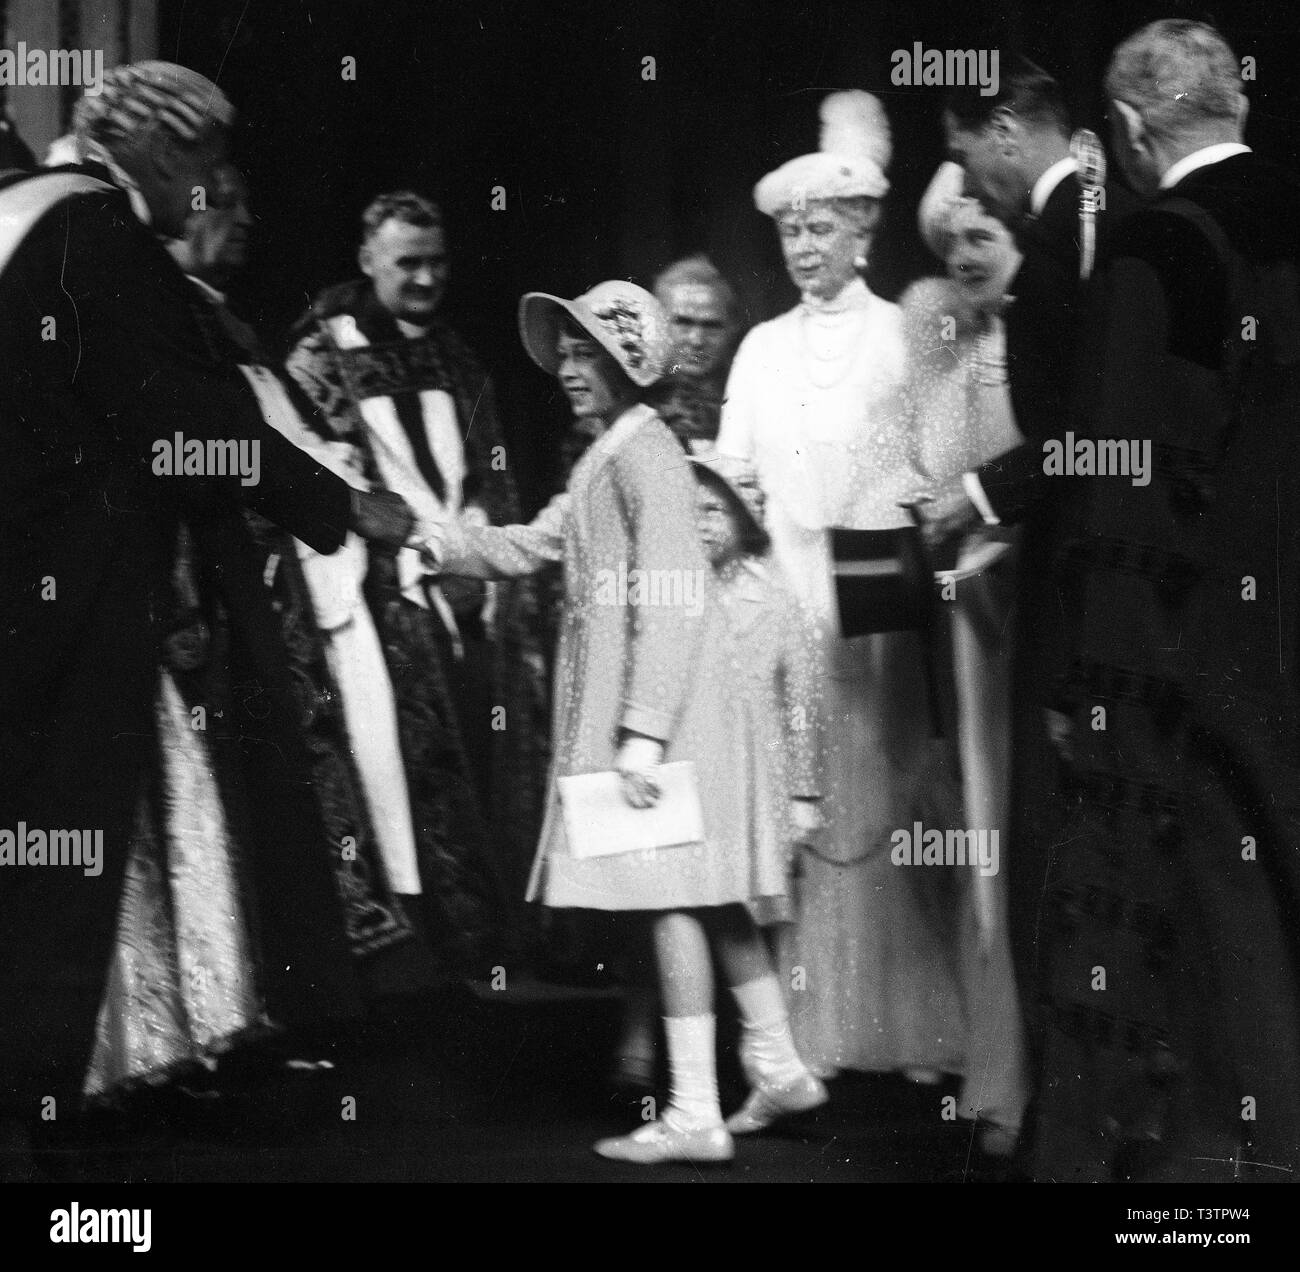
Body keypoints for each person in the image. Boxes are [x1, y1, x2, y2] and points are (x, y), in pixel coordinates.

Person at [0, 61, 412, 1176]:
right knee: (75, 845)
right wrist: (339, 504)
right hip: (75, 591)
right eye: (200, 165)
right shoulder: (98, 236)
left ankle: (79, 1075)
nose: (208, 191)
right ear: (156, 152)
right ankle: (41, 1098)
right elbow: (179, 424)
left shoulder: (16, 222)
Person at [420, 281, 826, 1164]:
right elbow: (534, 542)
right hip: (677, 709)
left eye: (585, 356)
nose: (568, 370)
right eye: (563, 355)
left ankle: (694, 1113)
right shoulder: (616, 451)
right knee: (709, 899)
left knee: (670, 903)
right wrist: (442, 543)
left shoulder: (644, 455)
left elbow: (676, 604)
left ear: (626, 365)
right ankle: (780, 1064)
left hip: (671, 713)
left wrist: (641, 732)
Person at [1027, 19, 1300, 1181]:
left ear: (1131, 132)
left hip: (1203, 661)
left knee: (1209, 950)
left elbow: (1124, 492)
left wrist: (1087, 693)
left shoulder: (1164, 253)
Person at [718, 90, 965, 1083]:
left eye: (819, 226)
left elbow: (928, 461)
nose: (802, 246)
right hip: (783, 598)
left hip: (872, 600)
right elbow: (734, 476)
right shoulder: (762, 347)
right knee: (792, 805)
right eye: (788, 231)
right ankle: (802, 1032)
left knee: (881, 794)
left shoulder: (899, 335)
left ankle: (908, 1023)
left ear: (860, 229)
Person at [162, 161, 439, 994]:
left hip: (274, 589)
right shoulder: (172, 325)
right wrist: (345, 503)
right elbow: (212, 458)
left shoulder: (227, 327)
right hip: (208, 597)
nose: (245, 220)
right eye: (228, 202)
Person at [916, 59, 1135, 1096]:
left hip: (1066, 580)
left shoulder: (1057, 252)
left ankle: (1063, 1108)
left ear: (1006, 130)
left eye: (968, 152)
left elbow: (1080, 436)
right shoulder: (1098, 216)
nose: (970, 182)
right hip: (1090, 578)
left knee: (1049, 831)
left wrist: (978, 499)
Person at [287, 192, 548, 970]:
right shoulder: (319, 357)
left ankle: (499, 937)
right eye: (409, 263)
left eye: (438, 261)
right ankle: (431, 949)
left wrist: (474, 556)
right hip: (382, 593)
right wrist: (418, 563)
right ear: (368, 259)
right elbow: (333, 483)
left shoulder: (459, 355)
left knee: (487, 736)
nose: (428, 278)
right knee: (407, 765)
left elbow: (486, 471)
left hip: (468, 582)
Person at [898, 162, 1030, 1153]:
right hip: (969, 627)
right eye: (951, 247)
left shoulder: (1045, 339)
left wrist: (976, 519)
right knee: (982, 841)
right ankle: (1001, 1077)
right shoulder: (946, 348)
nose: (964, 260)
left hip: (1036, 616)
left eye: (980, 238)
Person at [650, 255, 745, 452]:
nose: (696, 340)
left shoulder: (750, 398)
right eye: (683, 322)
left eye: (712, 325)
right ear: (656, 321)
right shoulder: (627, 401)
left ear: (733, 327)